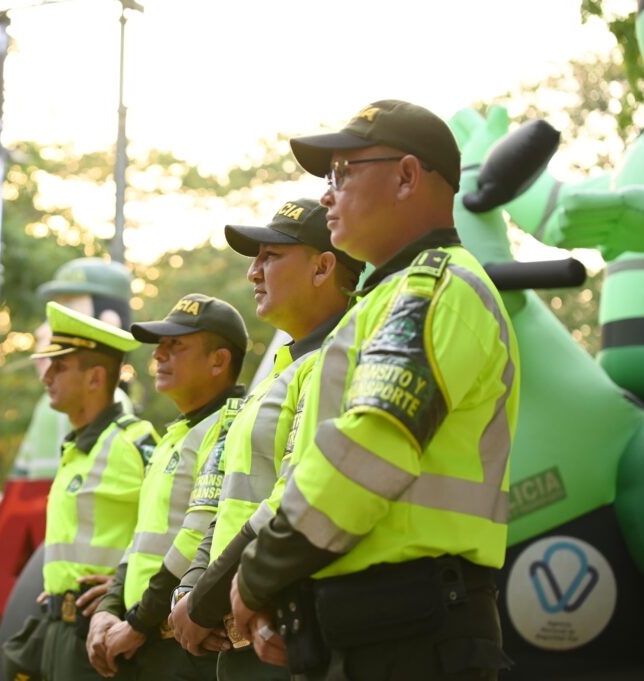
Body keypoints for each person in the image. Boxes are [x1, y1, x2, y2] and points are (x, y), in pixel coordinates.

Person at [230, 100, 521, 680]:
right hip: (378, 627)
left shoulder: (435, 290)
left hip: (414, 634)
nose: (326, 196)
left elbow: (366, 453)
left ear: (407, 176)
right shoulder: (388, 298)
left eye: (341, 174)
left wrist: (258, 573)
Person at [168, 199, 364, 681]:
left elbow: (293, 500)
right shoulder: (281, 372)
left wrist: (204, 600)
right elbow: (228, 504)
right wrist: (191, 591)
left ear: (323, 267)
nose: (253, 273)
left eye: (271, 257)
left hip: (289, 628)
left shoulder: (343, 358)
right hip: (241, 626)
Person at [87, 294, 249, 681]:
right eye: (159, 345)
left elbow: (195, 536)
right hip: (144, 639)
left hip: (182, 648)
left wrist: (138, 622)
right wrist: (109, 608)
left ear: (219, 361)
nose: (158, 355)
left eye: (175, 345)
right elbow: (142, 540)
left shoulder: (230, 426)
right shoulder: (176, 434)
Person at [17, 301, 158, 681]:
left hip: (102, 633)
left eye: (60, 367)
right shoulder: (77, 446)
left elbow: (174, 527)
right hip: (60, 629)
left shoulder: (134, 442)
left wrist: (125, 585)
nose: (47, 377)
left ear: (95, 378)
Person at [11, 258, 136, 480]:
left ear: (108, 323)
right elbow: (21, 485)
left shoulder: (80, 402)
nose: (42, 331)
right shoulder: (50, 403)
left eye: (66, 316)